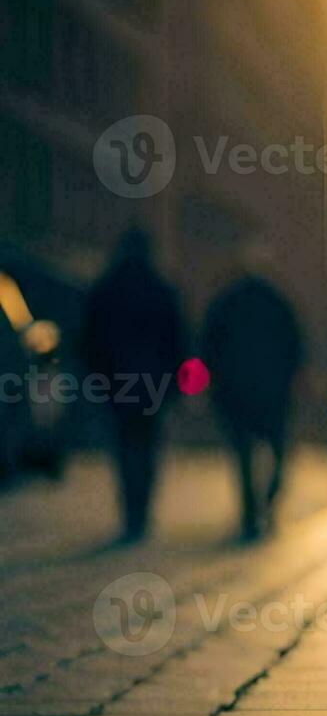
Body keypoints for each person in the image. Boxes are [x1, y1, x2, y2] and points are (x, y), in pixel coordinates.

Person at [82, 227, 185, 543]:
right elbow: (177, 341)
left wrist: (97, 377)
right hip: (153, 385)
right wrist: (176, 384)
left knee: (125, 447)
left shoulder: (107, 288)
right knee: (147, 446)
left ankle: (131, 509)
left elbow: (89, 338)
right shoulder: (161, 289)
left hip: (117, 383)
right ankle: (141, 507)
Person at [202, 260, 303, 540]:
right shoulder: (276, 302)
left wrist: (213, 381)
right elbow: (295, 343)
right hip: (273, 390)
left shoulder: (226, 304)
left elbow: (209, 345)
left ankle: (251, 511)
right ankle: (268, 498)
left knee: (243, 454)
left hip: (236, 390)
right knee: (277, 450)